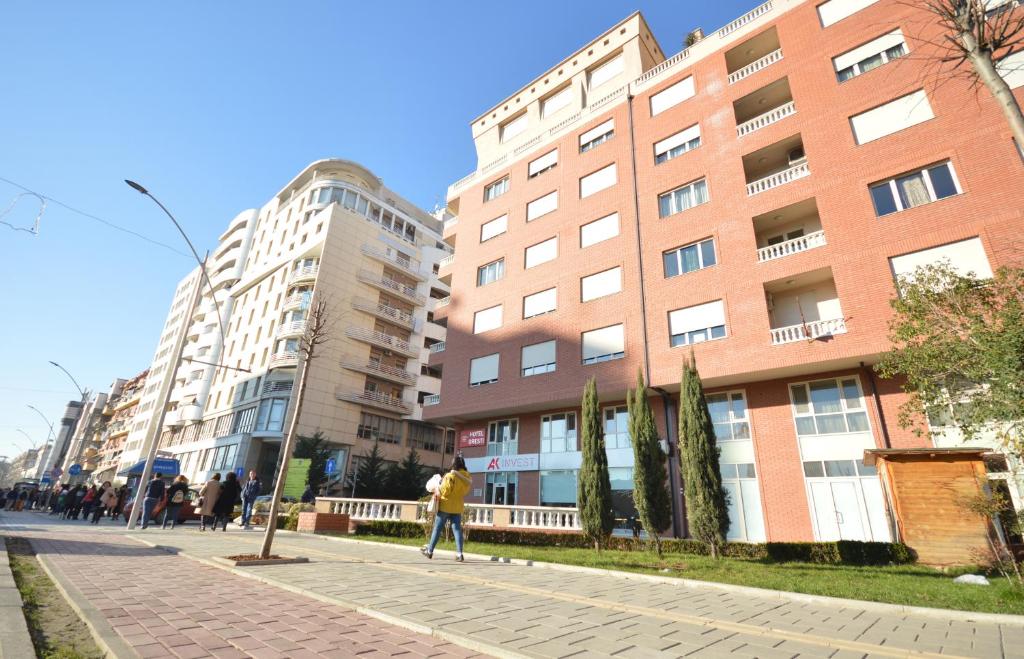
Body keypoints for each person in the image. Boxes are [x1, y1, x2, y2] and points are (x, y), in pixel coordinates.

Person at [421, 456, 472, 562]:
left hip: (445, 506)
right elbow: (466, 491)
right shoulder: (467, 476)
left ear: (453, 464)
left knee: (437, 529)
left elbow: (445, 491)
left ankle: (429, 551)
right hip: (457, 507)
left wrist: (438, 485)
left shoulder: (449, 476)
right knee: (457, 530)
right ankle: (459, 554)